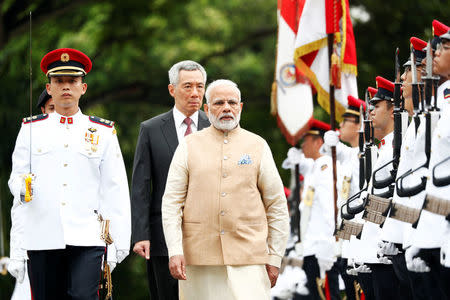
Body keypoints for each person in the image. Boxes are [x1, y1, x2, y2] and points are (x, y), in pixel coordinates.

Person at [7, 48, 131, 300]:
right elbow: (17, 184)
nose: (66, 87)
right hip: (42, 233)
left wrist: (119, 241)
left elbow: (114, 188)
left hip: (87, 234)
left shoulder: (102, 131)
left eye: (72, 81)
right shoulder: (31, 129)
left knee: (84, 297)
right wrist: (22, 187)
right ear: (49, 87)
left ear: (83, 88)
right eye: (59, 81)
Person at [161, 79, 289, 300]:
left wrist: (275, 257)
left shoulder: (257, 145)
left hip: (250, 257)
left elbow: (276, 205)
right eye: (219, 103)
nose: (227, 108)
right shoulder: (189, 146)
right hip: (199, 258)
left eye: (232, 102)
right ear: (207, 109)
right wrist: (175, 250)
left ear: (241, 107)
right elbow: (171, 203)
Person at [131, 60, 210, 299]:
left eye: (200, 86)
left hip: (208, 236)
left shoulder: (216, 127)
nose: (195, 93)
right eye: (188, 86)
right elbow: (141, 186)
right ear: (172, 89)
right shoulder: (151, 129)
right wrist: (140, 234)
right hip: (162, 236)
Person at [321, 95, 367, 300]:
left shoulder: (366, 154)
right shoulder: (351, 155)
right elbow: (329, 151)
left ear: (359, 125)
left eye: (344, 121)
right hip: (347, 235)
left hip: (360, 235)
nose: (339, 125)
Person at [297, 119, 340, 300]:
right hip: (311, 246)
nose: (302, 145)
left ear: (318, 142)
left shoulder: (325, 166)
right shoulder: (314, 167)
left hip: (321, 247)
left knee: (327, 296)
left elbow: (329, 206)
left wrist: (331, 243)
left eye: (306, 140)